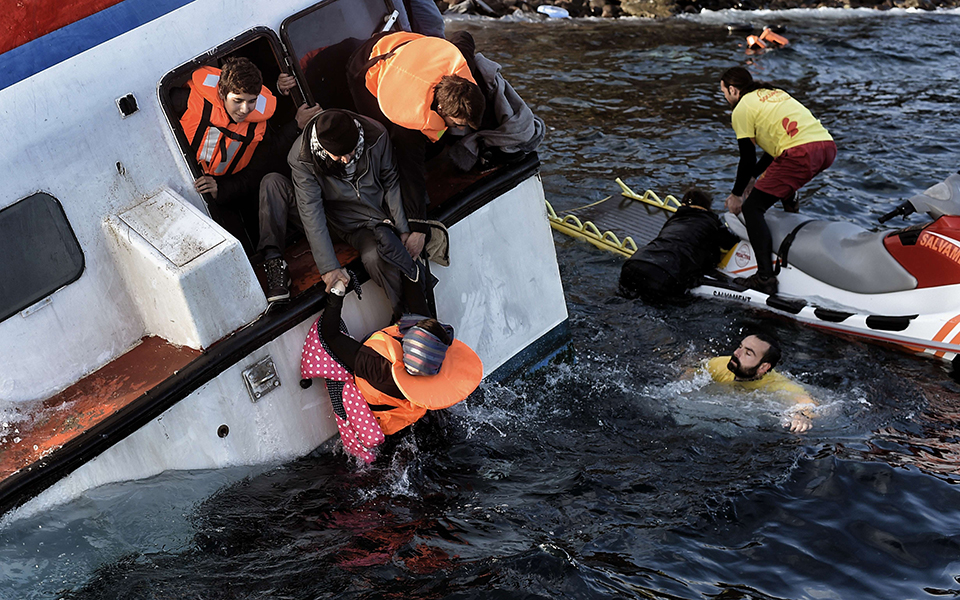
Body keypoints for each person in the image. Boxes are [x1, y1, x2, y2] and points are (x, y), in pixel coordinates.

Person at [174, 56, 321, 301]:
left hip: (230, 190)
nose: (244, 110)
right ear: (222, 93)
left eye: (251, 102)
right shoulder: (185, 100)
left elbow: (256, 173)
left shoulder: (257, 127)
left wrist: (221, 189)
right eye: (237, 101)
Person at [299, 274, 482, 462]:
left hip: (394, 436)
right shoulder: (431, 362)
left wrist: (337, 291)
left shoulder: (378, 366)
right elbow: (414, 287)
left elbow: (330, 335)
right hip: (426, 420)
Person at [346, 31, 486, 250]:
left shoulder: (462, 65)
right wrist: (418, 227)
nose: (462, 128)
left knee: (436, 140)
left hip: (407, 50)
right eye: (458, 124)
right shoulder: (408, 124)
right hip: (368, 63)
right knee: (385, 141)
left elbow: (464, 36)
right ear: (440, 109)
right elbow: (411, 172)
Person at [288, 108, 429, 317]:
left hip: (377, 216)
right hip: (340, 222)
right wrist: (329, 267)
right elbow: (311, 213)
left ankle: (412, 313)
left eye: (352, 152)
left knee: (380, 255)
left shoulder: (377, 134)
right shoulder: (300, 158)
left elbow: (391, 181)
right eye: (338, 156)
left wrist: (404, 230)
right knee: (375, 256)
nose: (346, 160)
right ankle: (408, 315)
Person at [719, 66, 837, 295]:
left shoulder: (741, 109)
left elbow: (747, 157)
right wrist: (754, 177)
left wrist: (736, 194)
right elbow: (775, 148)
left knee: (752, 208)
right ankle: (790, 213)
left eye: (723, 92)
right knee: (780, 182)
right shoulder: (774, 92)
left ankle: (764, 277)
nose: (725, 97)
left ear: (733, 90)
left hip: (800, 153)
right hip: (826, 147)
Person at [619, 189, 739, 301]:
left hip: (634, 263)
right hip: (665, 275)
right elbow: (732, 243)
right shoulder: (711, 222)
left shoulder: (673, 220)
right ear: (707, 207)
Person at [701, 333, 816, 433]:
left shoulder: (777, 385)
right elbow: (690, 372)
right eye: (740, 346)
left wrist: (802, 415)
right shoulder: (720, 364)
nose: (736, 352)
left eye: (748, 353)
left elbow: (810, 403)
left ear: (763, 367)